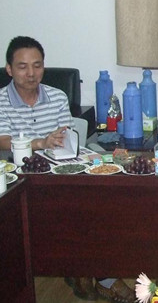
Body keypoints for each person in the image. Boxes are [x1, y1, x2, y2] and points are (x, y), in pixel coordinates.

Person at [0, 36, 135, 303]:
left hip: (59, 172)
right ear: (9, 69)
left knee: (101, 203)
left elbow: (66, 139)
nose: (31, 73)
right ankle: (91, 272)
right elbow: (2, 140)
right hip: (18, 182)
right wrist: (40, 143)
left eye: (37, 65)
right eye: (23, 66)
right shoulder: (1, 101)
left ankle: (92, 271)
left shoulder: (57, 96)